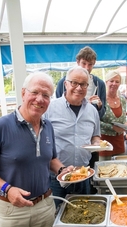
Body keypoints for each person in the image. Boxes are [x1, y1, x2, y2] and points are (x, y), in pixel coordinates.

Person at [0, 72, 74, 227]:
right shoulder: (0, 127)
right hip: (12, 210)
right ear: (23, 93)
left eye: (46, 95)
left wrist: (62, 170)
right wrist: (7, 188)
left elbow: (50, 158)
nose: (40, 99)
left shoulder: (48, 126)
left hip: (44, 206)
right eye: (35, 92)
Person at [45, 66, 101, 207]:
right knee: (56, 216)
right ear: (65, 84)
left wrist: (96, 143)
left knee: (83, 212)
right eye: (74, 83)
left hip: (84, 174)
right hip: (56, 176)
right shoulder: (50, 109)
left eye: (83, 84)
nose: (79, 88)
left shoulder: (92, 111)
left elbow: (96, 136)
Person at [56, 46, 106, 119]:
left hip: (88, 122)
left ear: (94, 64)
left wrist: (99, 107)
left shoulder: (100, 84)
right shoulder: (63, 82)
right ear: (78, 62)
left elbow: (101, 114)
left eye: (90, 64)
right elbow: (58, 107)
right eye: (84, 63)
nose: (86, 67)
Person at [99, 70, 127, 161]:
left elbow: (123, 118)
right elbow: (96, 121)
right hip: (104, 141)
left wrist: (125, 125)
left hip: (119, 140)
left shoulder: (122, 99)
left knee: (121, 169)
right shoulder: (100, 100)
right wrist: (112, 127)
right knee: (104, 170)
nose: (114, 84)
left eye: (117, 81)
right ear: (106, 82)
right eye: (111, 81)